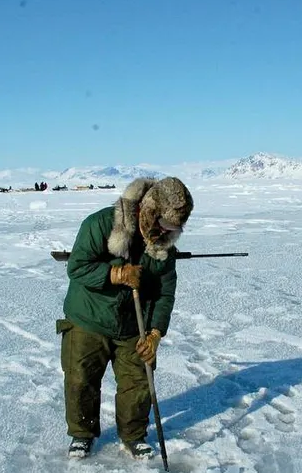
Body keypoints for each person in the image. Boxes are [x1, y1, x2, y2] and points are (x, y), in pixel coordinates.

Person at [56, 176, 193, 460]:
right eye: (164, 225)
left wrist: (155, 333)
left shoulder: (164, 246)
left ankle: (133, 436)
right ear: (150, 212)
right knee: (81, 380)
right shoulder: (101, 224)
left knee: (138, 380)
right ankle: (82, 434)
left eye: (174, 228)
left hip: (133, 323)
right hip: (88, 316)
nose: (166, 233)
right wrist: (115, 274)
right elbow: (77, 268)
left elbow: (164, 293)